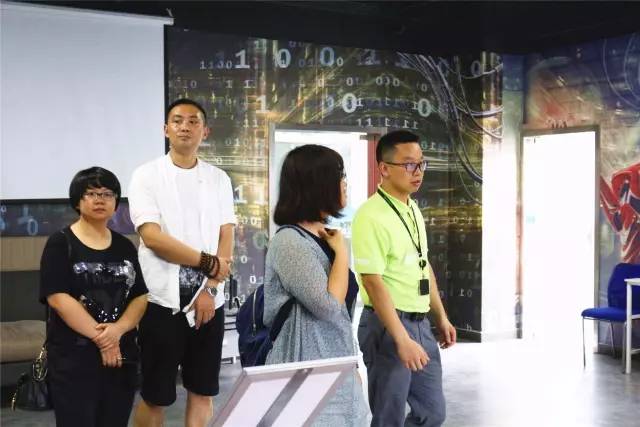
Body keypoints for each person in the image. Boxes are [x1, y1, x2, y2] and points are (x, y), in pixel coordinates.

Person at [128, 98, 236, 427]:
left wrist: (211, 289)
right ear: (166, 129)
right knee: (155, 394)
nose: (184, 127)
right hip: (161, 302)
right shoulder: (146, 175)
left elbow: (227, 235)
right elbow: (153, 238)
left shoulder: (218, 178)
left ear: (205, 131)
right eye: (177, 121)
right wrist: (207, 262)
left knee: (203, 391)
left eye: (193, 121)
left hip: (209, 303)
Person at [352, 130, 456, 427]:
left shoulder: (412, 209)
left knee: (432, 413)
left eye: (421, 164)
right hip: (387, 325)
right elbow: (372, 282)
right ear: (384, 169)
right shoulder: (370, 216)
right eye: (409, 164)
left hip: (420, 323)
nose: (418, 171)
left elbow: (423, 266)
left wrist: (441, 316)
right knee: (389, 417)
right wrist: (401, 338)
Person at [264, 144, 369, 426]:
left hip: (335, 373)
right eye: (339, 175)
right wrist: (342, 252)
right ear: (317, 183)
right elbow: (328, 306)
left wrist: (351, 364)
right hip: (305, 381)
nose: (345, 183)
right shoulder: (289, 242)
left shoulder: (324, 238)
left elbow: (340, 316)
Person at [40, 167, 148, 427]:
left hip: (121, 355)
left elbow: (140, 296)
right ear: (77, 201)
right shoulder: (60, 243)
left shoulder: (124, 245)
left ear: (116, 202)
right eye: (91, 193)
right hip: (75, 358)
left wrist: (118, 331)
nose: (100, 200)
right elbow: (58, 298)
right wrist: (105, 341)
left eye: (107, 194)